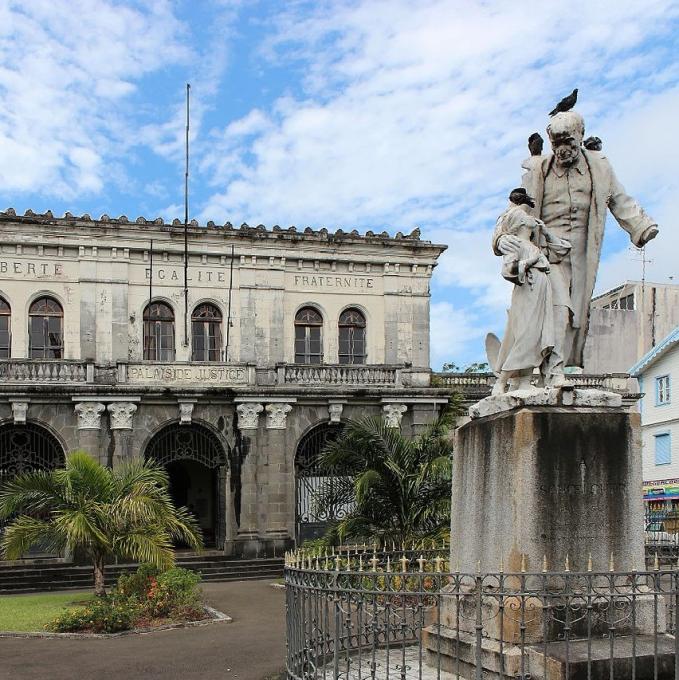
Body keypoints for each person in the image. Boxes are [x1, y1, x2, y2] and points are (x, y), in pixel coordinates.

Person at [492, 110, 658, 385]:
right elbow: (515, 209)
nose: (561, 149)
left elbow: (618, 198)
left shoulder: (599, 167)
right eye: (556, 143)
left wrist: (640, 226)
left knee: (574, 316)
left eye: (567, 141)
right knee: (559, 307)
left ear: (580, 137)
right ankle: (553, 371)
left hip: (581, 253)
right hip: (546, 253)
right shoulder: (538, 170)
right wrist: (500, 238)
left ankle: (560, 367)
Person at [492, 205, 570, 395]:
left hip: (542, 288)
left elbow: (563, 249)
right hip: (529, 286)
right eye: (526, 216)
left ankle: (526, 380)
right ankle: (501, 382)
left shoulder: (533, 244)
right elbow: (508, 269)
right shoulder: (514, 242)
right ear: (519, 222)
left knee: (538, 335)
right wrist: (530, 262)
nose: (531, 217)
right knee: (527, 333)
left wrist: (545, 232)